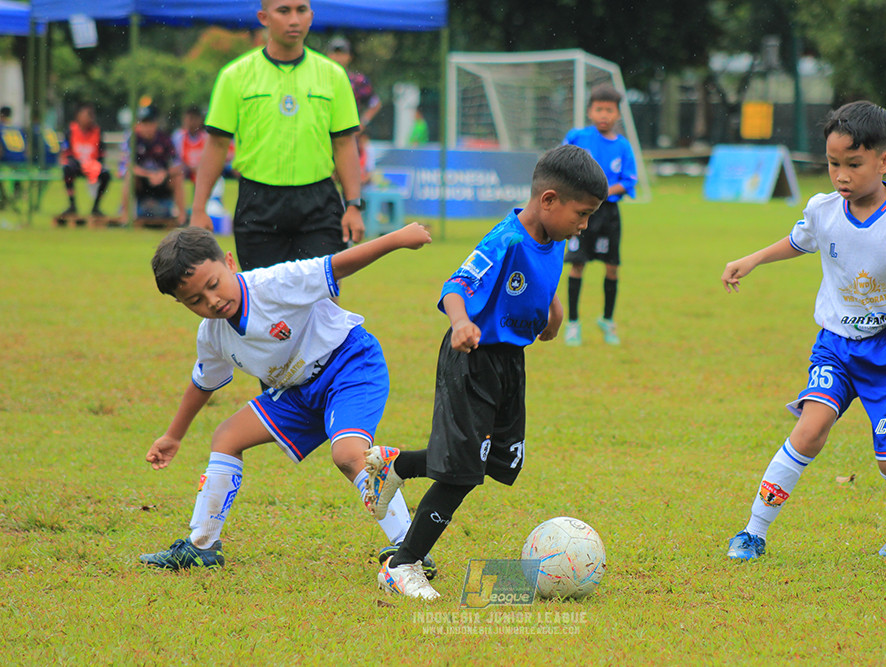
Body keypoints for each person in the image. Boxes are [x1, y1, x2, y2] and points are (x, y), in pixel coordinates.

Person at [361, 145, 608, 599]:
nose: (585, 225)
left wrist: (552, 317)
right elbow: (456, 286)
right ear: (549, 200)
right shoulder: (505, 240)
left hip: (510, 363)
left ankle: (397, 464)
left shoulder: (556, 240)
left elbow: (545, 285)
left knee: (500, 460)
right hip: (472, 359)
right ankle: (403, 564)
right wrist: (460, 323)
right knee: (460, 472)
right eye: (582, 213)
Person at [720, 100, 886, 561]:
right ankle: (753, 531)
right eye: (833, 164)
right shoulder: (823, 209)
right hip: (835, 345)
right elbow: (797, 241)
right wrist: (751, 260)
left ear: (884, 161)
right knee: (809, 431)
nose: (841, 176)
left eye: (853, 164)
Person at [140, 222, 433, 570]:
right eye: (195, 301)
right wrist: (174, 435)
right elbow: (203, 384)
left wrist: (397, 239)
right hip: (297, 392)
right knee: (227, 437)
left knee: (348, 455)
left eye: (213, 284)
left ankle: (410, 549)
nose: (212, 301)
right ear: (180, 303)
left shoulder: (275, 284)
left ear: (230, 263)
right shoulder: (212, 335)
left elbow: (338, 265)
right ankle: (202, 546)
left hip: (349, 365)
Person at [190, 0, 363, 271]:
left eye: (301, 10)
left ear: (311, 16)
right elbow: (217, 145)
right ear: (264, 17)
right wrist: (199, 208)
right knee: (264, 301)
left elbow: (344, 143)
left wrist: (353, 205)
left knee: (321, 298)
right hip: (258, 202)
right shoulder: (234, 76)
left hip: (319, 202)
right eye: (284, 11)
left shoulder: (333, 75)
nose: (294, 19)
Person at [562, 84, 638, 346]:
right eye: (599, 109)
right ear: (589, 112)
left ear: (618, 114)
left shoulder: (623, 147)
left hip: (608, 213)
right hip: (581, 210)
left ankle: (607, 319)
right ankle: (572, 323)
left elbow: (629, 181)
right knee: (577, 264)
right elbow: (561, 164)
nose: (604, 114)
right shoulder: (578, 137)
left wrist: (601, 192)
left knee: (612, 266)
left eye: (609, 110)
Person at [120, 105, 186, 223]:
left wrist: (163, 174)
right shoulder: (133, 139)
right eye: (143, 123)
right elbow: (128, 165)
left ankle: (182, 218)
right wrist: (149, 175)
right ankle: (125, 217)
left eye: (149, 123)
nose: (146, 127)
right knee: (129, 177)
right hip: (143, 181)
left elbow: (178, 165)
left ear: (155, 124)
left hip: (162, 180)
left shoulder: (165, 139)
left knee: (178, 177)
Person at [60, 102, 112, 218]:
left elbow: (101, 153)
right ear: (78, 116)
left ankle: (96, 207)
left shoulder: (97, 132)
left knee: (106, 175)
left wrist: (94, 165)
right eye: (86, 115)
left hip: (93, 165)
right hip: (76, 165)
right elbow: (66, 152)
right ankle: (72, 205)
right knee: (67, 169)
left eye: (90, 115)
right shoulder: (71, 131)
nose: (89, 118)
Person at [326, 36, 382, 133]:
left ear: (349, 57)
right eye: (335, 53)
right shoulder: (321, 79)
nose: (338, 57)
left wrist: (362, 123)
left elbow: (375, 104)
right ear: (328, 55)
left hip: (349, 134)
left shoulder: (358, 81)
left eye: (342, 53)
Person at [172, 106, 207, 183]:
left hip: (201, 171)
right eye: (190, 119)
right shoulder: (178, 136)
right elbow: (175, 159)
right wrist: (190, 168)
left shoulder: (206, 137)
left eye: (195, 119)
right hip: (184, 171)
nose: (192, 123)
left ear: (200, 120)